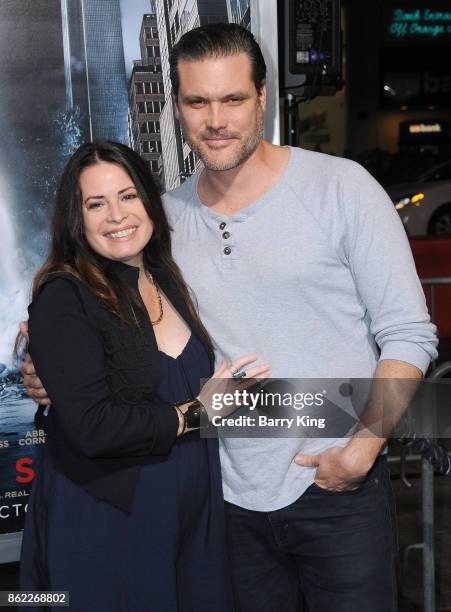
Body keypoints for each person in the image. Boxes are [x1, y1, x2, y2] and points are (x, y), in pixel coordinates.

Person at [23, 23, 438, 612]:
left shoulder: (341, 188)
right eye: (198, 102)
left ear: (263, 97)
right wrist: (48, 369)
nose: (216, 120)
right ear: (178, 109)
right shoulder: (164, 217)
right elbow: (110, 317)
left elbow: (409, 332)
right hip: (223, 496)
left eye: (233, 99)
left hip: (334, 488)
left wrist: (363, 447)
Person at [19, 140, 270, 612]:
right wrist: (194, 413)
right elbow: (94, 429)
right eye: (96, 203)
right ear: (77, 219)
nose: (116, 215)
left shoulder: (167, 277)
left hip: (194, 514)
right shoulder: (64, 297)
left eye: (128, 196)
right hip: (111, 519)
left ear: (150, 203)